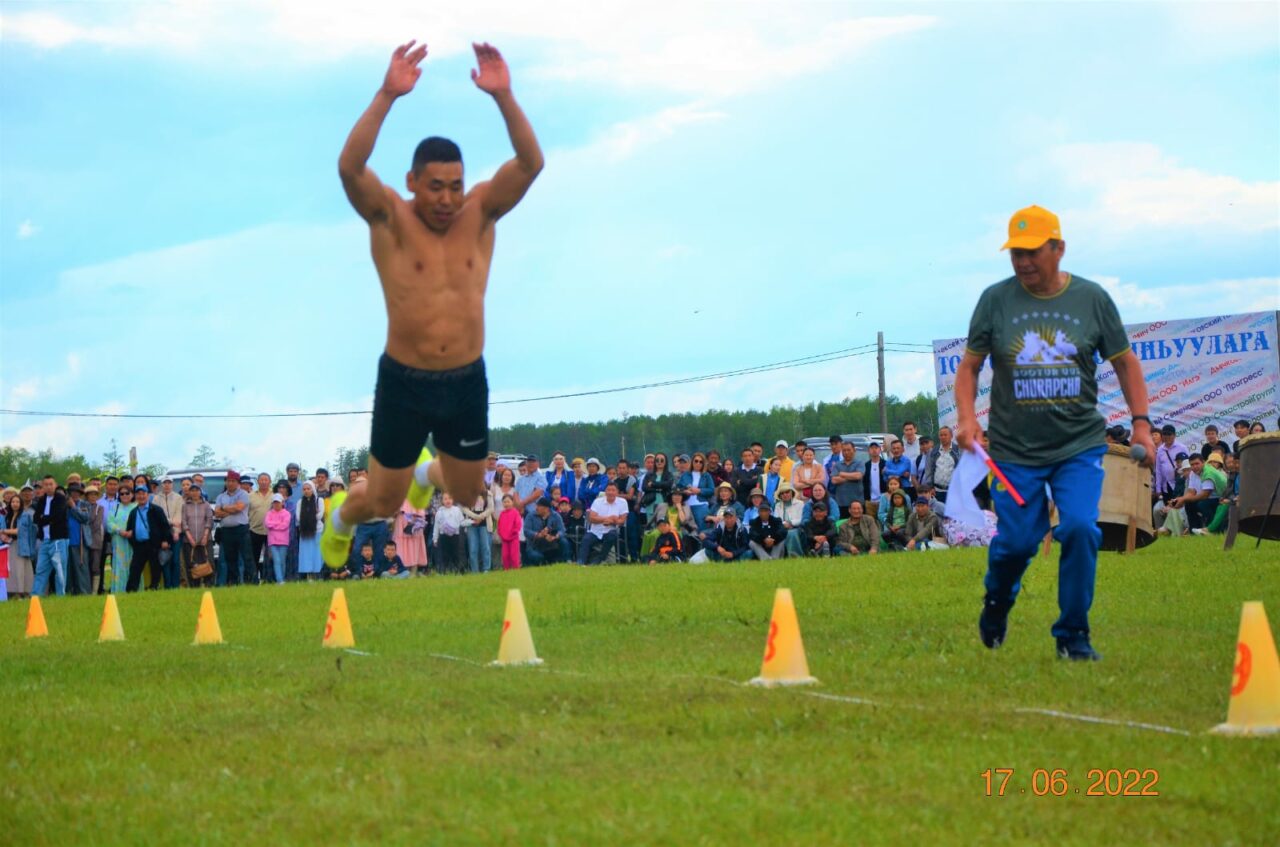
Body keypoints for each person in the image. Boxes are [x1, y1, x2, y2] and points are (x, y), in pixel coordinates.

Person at [321, 39, 544, 569]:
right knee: (379, 501)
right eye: (436, 187)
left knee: (470, 495)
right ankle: (339, 519)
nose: (447, 198)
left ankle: (426, 473)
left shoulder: (481, 213)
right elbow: (350, 169)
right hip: (404, 379)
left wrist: (504, 96)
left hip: (465, 378)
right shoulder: (390, 220)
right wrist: (386, 94)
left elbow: (531, 163)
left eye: (456, 186)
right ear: (412, 183)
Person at [954, 204, 1154, 661]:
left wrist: (1141, 422)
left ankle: (1072, 636)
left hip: (1077, 446)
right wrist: (968, 419)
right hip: (1012, 452)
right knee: (1017, 543)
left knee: (1082, 528)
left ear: (1058, 248)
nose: (1023, 262)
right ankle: (998, 600)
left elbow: (1125, 361)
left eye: (1032, 252)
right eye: (1015, 254)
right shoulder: (995, 300)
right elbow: (969, 367)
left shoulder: (1092, 299)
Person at [125, 486, 173, 591]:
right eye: (138, 494)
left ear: (148, 495)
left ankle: (154, 587)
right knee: (135, 569)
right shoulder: (133, 512)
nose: (141, 496)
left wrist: (165, 540)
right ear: (135, 496)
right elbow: (129, 528)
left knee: (155, 568)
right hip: (139, 545)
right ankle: (131, 591)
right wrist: (133, 541)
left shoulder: (156, 510)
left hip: (154, 544)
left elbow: (165, 526)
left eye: (143, 494)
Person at [31, 476, 70, 597]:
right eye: (46, 484)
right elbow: (36, 518)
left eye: (51, 484)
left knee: (59, 571)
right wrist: (46, 519)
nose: (48, 486)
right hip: (45, 540)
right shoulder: (42, 500)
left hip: (58, 540)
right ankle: (35, 597)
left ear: (55, 485)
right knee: (40, 570)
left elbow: (57, 517)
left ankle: (60, 598)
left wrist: (44, 518)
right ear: (43, 487)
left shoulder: (61, 499)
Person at [580, 482, 629, 565]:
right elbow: (591, 518)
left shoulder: (622, 502)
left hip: (611, 530)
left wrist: (612, 521)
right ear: (605, 492)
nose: (610, 492)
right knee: (586, 539)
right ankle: (580, 562)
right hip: (595, 531)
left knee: (612, 536)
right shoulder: (597, 501)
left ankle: (599, 559)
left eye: (613, 490)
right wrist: (608, 518)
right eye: (608, 490)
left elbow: (622, 521)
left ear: (617, 492)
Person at [1, 489, 35, 598]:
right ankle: (14, 592)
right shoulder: (8, 516)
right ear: (10, 504)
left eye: (17, 502)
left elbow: (19, 530)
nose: (15, 504)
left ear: (20, 504)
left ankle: (22, 592)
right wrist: (4, 536)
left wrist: (3, 531)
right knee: (12, 569)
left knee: (21, 569)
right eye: (13, 502)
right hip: (10, 545)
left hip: (21, 545)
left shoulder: (24, 515)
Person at [182, 485, 215, 589]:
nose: (195, 493)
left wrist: (205, 536)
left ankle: (209, 585)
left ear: (200, 492)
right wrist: (190, 538)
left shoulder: (206, 505)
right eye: (192, 491)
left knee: (208, 561)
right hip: (189, 540)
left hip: (205, 539)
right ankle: (194, 587)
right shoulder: (185, 506)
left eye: (197, 490)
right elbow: (184, 522)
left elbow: (209, 520)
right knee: (192, 564)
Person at [105, 487, 136, 594]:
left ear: (132, 494)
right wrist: (119, 531)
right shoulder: (115, 507)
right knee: (119, 565)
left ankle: (134, 589)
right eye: (121, 494)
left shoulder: (136, 507)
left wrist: (132, 531)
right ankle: (119, 590)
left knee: (134, 563)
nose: (124, 496)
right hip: (118, 541)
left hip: (133, 541)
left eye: (127, 493)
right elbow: (109, 523)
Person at [523, 497, 570, 565]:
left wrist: (555, 536)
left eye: (539, 506)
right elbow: (526, 531)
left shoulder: (556, 516)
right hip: (535, 545)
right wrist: (538, 535)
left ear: (546, 508)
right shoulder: (530, 516)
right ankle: (545, 562)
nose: (536, 508)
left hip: (552, 545)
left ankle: (567, 561)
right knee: (537, 557)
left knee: (564, 542)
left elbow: (562, 530)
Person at [248, 473, 274, 584]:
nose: (263, 482)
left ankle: (268, 579)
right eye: (261, 480)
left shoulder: (275, 494)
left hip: (271, 532)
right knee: (254, 557)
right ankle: (254, 579)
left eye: (266, 480)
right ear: (257, 482)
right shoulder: (251, 495)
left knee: (270, 557)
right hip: (255, 530)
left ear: (270, 481)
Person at [295, 481, 324, 580]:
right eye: (304, 489)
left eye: (308, 489)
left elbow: (320, 515)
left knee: (317, 553)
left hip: (317, 531)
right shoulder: (300, 502)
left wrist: (307, 516)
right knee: (306, 554)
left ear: (313, 489)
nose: (306, 491)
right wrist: (311, 515)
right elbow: (298, 517)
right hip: (304, 531)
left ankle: (318, 575)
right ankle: (308, 576)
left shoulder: (319, 500)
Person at [923, 426, 961, 502]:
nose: (943, 437)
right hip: (937, 492)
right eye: (941, 435)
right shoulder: (932, 452)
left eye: (945, 435)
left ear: (951, 436)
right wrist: (930, 488)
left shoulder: (958, 451)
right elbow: (928, 471)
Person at [393, 499, 429, 576]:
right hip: (401, 518)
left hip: (415, 518)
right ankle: (403, 570)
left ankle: (414, 571)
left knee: (415, 543)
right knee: (402, 544)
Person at [432, 493, 466, 574]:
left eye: (450, 498)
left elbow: (462, 522)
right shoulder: (440, 512)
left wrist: (470, 523)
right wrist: (435, 538)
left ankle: (458, 571)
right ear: (442, 501)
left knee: (456, 554)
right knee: (444, 555)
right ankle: (444, 571)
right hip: (444, 536)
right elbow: (436, 526)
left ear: (453, 500)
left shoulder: (457, 510)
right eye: (445, 499)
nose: (448, 501)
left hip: (455, 536)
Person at [461, 489, 494, 573]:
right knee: (473, 548)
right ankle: (474, 570)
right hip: (471, 524)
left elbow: (491, 509)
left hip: (484, 524)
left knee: (485, 547)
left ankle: (486, 569)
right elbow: (464, 508)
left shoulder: (488, 494)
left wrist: (480, 517)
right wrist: (475, 516)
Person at [496, 494, 523, 570]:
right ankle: (506, 570)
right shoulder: (502, 514)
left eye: (508, 502)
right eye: (504, 502)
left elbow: (518, 524)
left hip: (513, 538)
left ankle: (516, 570)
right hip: (504, 539)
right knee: (505, 556)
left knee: (514, 556)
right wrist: (501, 533)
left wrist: (513, 532)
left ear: (512, 502)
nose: (506, 504)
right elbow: (499, 525)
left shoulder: (515, 513)